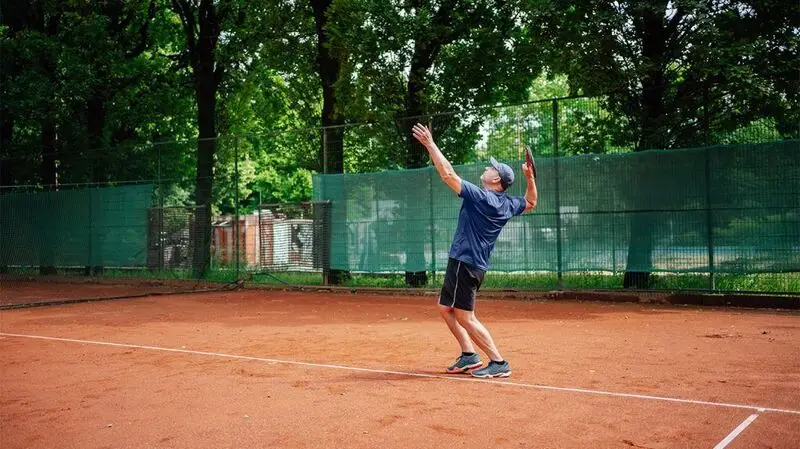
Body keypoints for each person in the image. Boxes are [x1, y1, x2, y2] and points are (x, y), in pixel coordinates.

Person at [412, 123, 538, 378]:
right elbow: (532, 201)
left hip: (465, 263)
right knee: (444, 307)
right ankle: (469, 355)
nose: (486, 168)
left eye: (491, 168)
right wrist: (530, 179)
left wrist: (430, 144)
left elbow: (448, 175)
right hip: (468, 263)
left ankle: (499, 361)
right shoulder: (508, 204)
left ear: (496, 180)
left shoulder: (483, 198)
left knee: (465, 316)